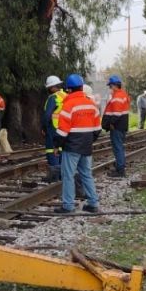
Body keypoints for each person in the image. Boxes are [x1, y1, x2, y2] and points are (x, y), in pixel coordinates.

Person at [54, 74, 102, 213]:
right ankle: (93, 204)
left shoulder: (68, 105)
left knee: (68, 176)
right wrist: (88, 141)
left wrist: (57, 146)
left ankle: (68, 206)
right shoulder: (91, 105)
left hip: (71, 147)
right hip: (86, 146)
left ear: (69, 90)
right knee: (86, 174)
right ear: (81, 87)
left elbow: (62, 131)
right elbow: (97, 129)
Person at [103, 75, 131, 178]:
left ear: (114, 85)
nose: (110, 88)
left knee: (118, 148)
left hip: (117, 126)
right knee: (119, 147)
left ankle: (120, 170)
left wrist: (111, 123)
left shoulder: (117, 96)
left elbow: (117, 113)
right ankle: (120, 167)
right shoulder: (123, 94)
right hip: (122, 125)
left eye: (110, 86)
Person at [42, 75, 66, 182]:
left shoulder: (53, 98)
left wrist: (44, 127)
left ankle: (54, 176)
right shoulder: (66, 95)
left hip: (53, 128)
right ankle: (61, 175)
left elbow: (47, 115)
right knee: (61, 151)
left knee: (51, 151)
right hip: (64, 128)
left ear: (51, 87)